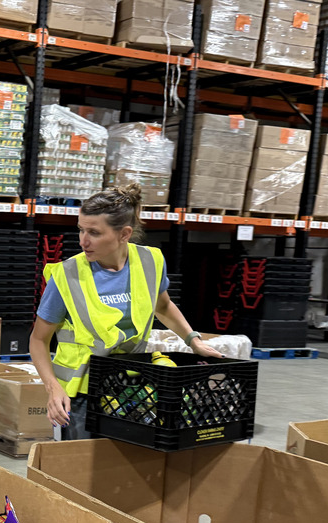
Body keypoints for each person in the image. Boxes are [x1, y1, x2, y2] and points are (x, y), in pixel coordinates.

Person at [29, 184, 222, 440]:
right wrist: (53, 389)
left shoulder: (150, 261)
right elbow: (38, 340)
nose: (83, 241)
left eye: (94, 233)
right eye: (81, 230)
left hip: (131, 387)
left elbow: (162, 305)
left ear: (124, 234)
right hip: (80, 396)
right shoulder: (67, 275)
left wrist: (193, 340)